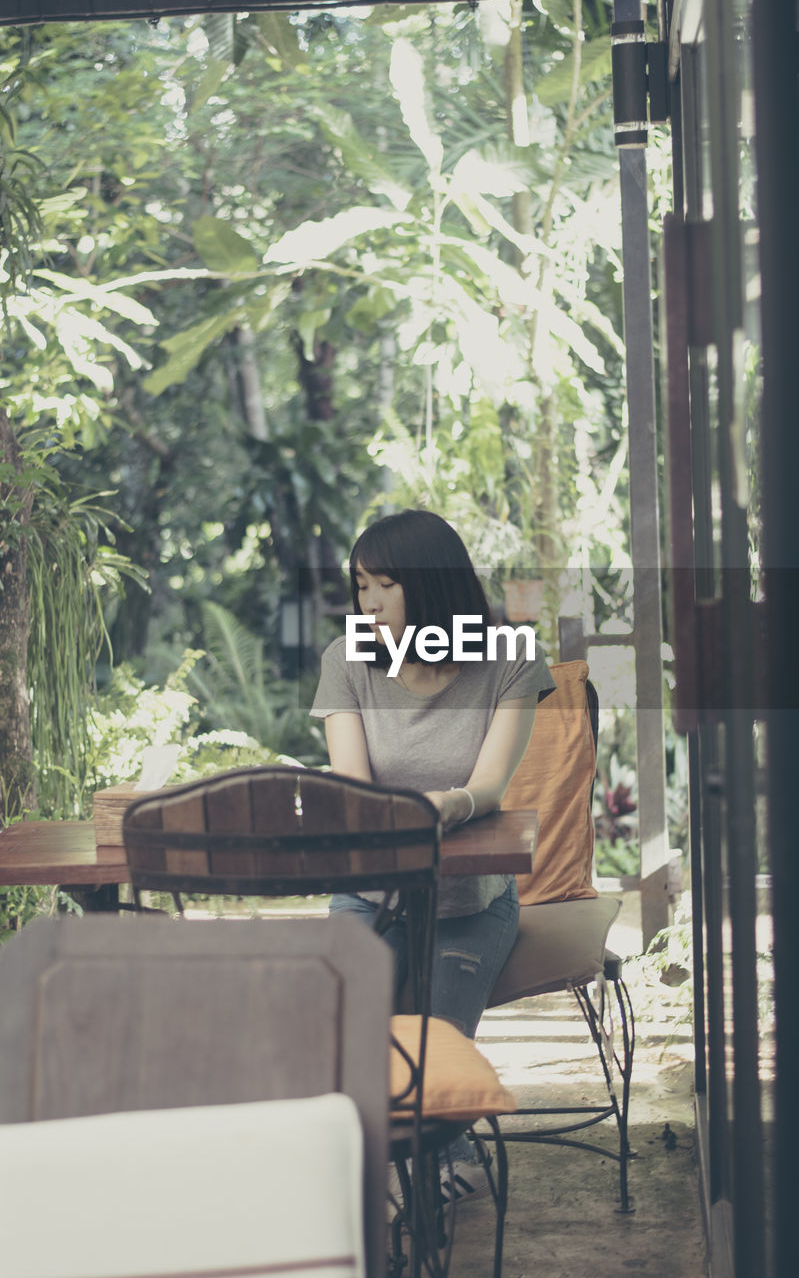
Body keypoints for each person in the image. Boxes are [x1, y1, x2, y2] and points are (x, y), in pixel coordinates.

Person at [310, 508, 555, 1203]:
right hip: (369, 893)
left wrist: (452, 805)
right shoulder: (347, 658)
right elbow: (353, 790)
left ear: (432, 585)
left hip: (468, 902)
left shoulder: (507, 657)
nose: (370, 603)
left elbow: (487, 787)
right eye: (361, 587)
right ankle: (342, 1176)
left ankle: (433, 1168)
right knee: (334, 1028)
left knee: (437, 1067)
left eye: (385, 585)